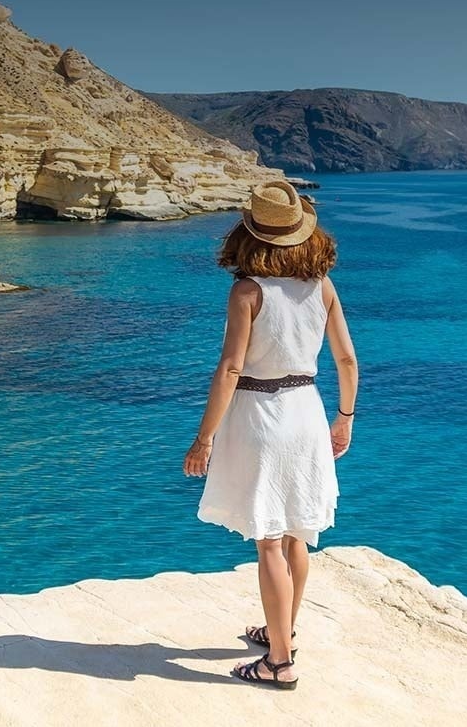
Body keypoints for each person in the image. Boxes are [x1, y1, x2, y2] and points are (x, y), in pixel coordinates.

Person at [183, 180, 356, 690]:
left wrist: (204, 438)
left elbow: (232, 368)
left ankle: (278, 662)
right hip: (306, 410)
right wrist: (344, 418)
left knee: (269, 544)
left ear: (249, 236)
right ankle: (284, 632)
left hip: (261, 416)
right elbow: (347, 359)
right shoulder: (321, 286)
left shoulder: (247, 291)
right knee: (298, 531)